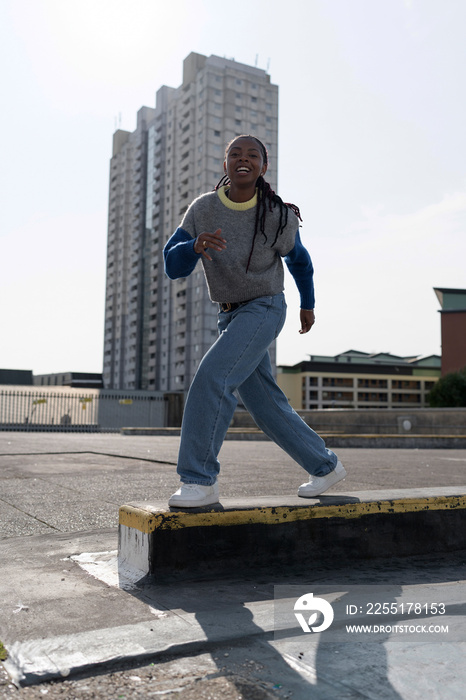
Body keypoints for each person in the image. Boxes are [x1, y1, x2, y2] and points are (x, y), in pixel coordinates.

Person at [163, 135, 346, 507]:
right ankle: (325, 466)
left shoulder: (277, 213)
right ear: (225, 163)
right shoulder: (203, 210)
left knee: (212, 378)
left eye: (252, 155)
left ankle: (199, 479)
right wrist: (194, 245)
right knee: (264, 404)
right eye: (235, 154)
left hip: (264, 308)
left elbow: (300, 262)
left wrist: (307, 305)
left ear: (264, 166)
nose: (242, 159)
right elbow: (171, 264)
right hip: (228, 314)